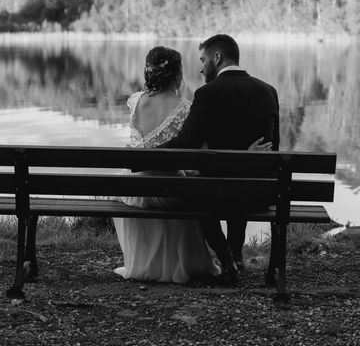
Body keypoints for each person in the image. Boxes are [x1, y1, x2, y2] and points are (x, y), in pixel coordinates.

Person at [112, 46, 269, 283]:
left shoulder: (135, 102)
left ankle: (145, 263)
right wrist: (244, 154)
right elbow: (204, 154)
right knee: (195, 187)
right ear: (177, 74)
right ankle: (210, 259)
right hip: (172, 191)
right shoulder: (186, 107)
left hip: (136, 190)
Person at [159, 34, 280, 283]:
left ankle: (226, 259)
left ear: (217, 57)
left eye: (203, 60)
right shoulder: (269, 92)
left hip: (216, 194)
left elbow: (185, 144)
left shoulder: (207, 94)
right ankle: (235, 254)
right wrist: (246, 158)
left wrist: (146, 157)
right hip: (260, 194)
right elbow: (274, 149)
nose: (201, 68)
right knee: (240, 181)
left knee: (201, 190)